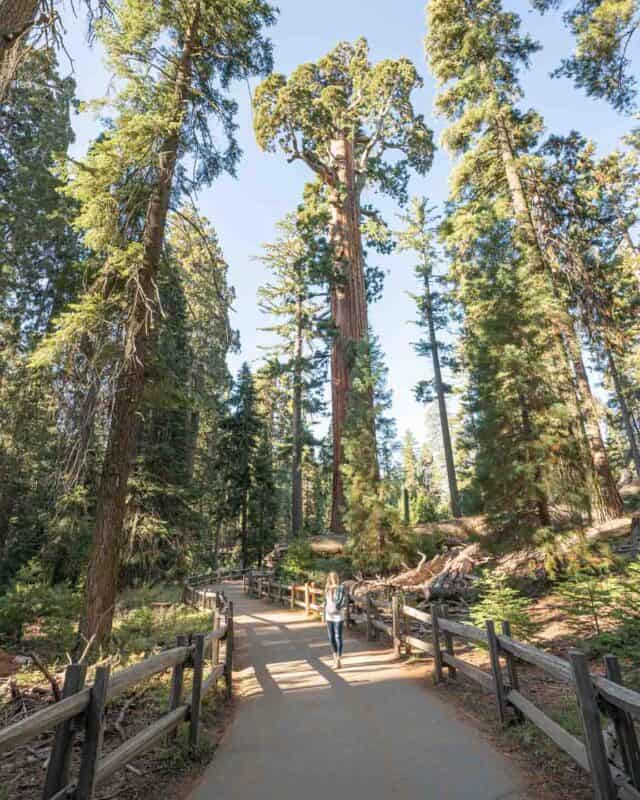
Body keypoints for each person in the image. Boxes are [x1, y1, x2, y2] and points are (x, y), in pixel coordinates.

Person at [324, 571, 347, 668]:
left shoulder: (340, 588)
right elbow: (326, 602)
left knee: (338, 637)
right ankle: (335, 658)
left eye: (334, 577)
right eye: (331, 577)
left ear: (336, 578)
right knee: (331, 638)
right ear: (329, 578)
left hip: (338, 615)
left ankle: (338, 659)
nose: (332, 578)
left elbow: (342, 601)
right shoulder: (327, 589)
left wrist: (337, 607)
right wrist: (323, 614)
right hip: (329, 615)